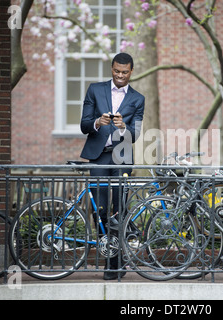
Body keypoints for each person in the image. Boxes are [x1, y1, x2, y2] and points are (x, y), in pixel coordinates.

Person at [80, 52, 145, 280]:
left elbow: (135, 135)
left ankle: (114, 264)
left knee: (119, 212)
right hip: (98, 157)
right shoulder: (95, 90)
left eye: (124, 72)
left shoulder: (138, 99)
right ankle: (108, 253)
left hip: (121, 159)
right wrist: (98, 122)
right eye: (116, 71)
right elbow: (84, 125)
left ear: (131, 72)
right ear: (112, 68)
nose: (120, 75)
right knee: (100, 211)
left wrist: (122, 128)